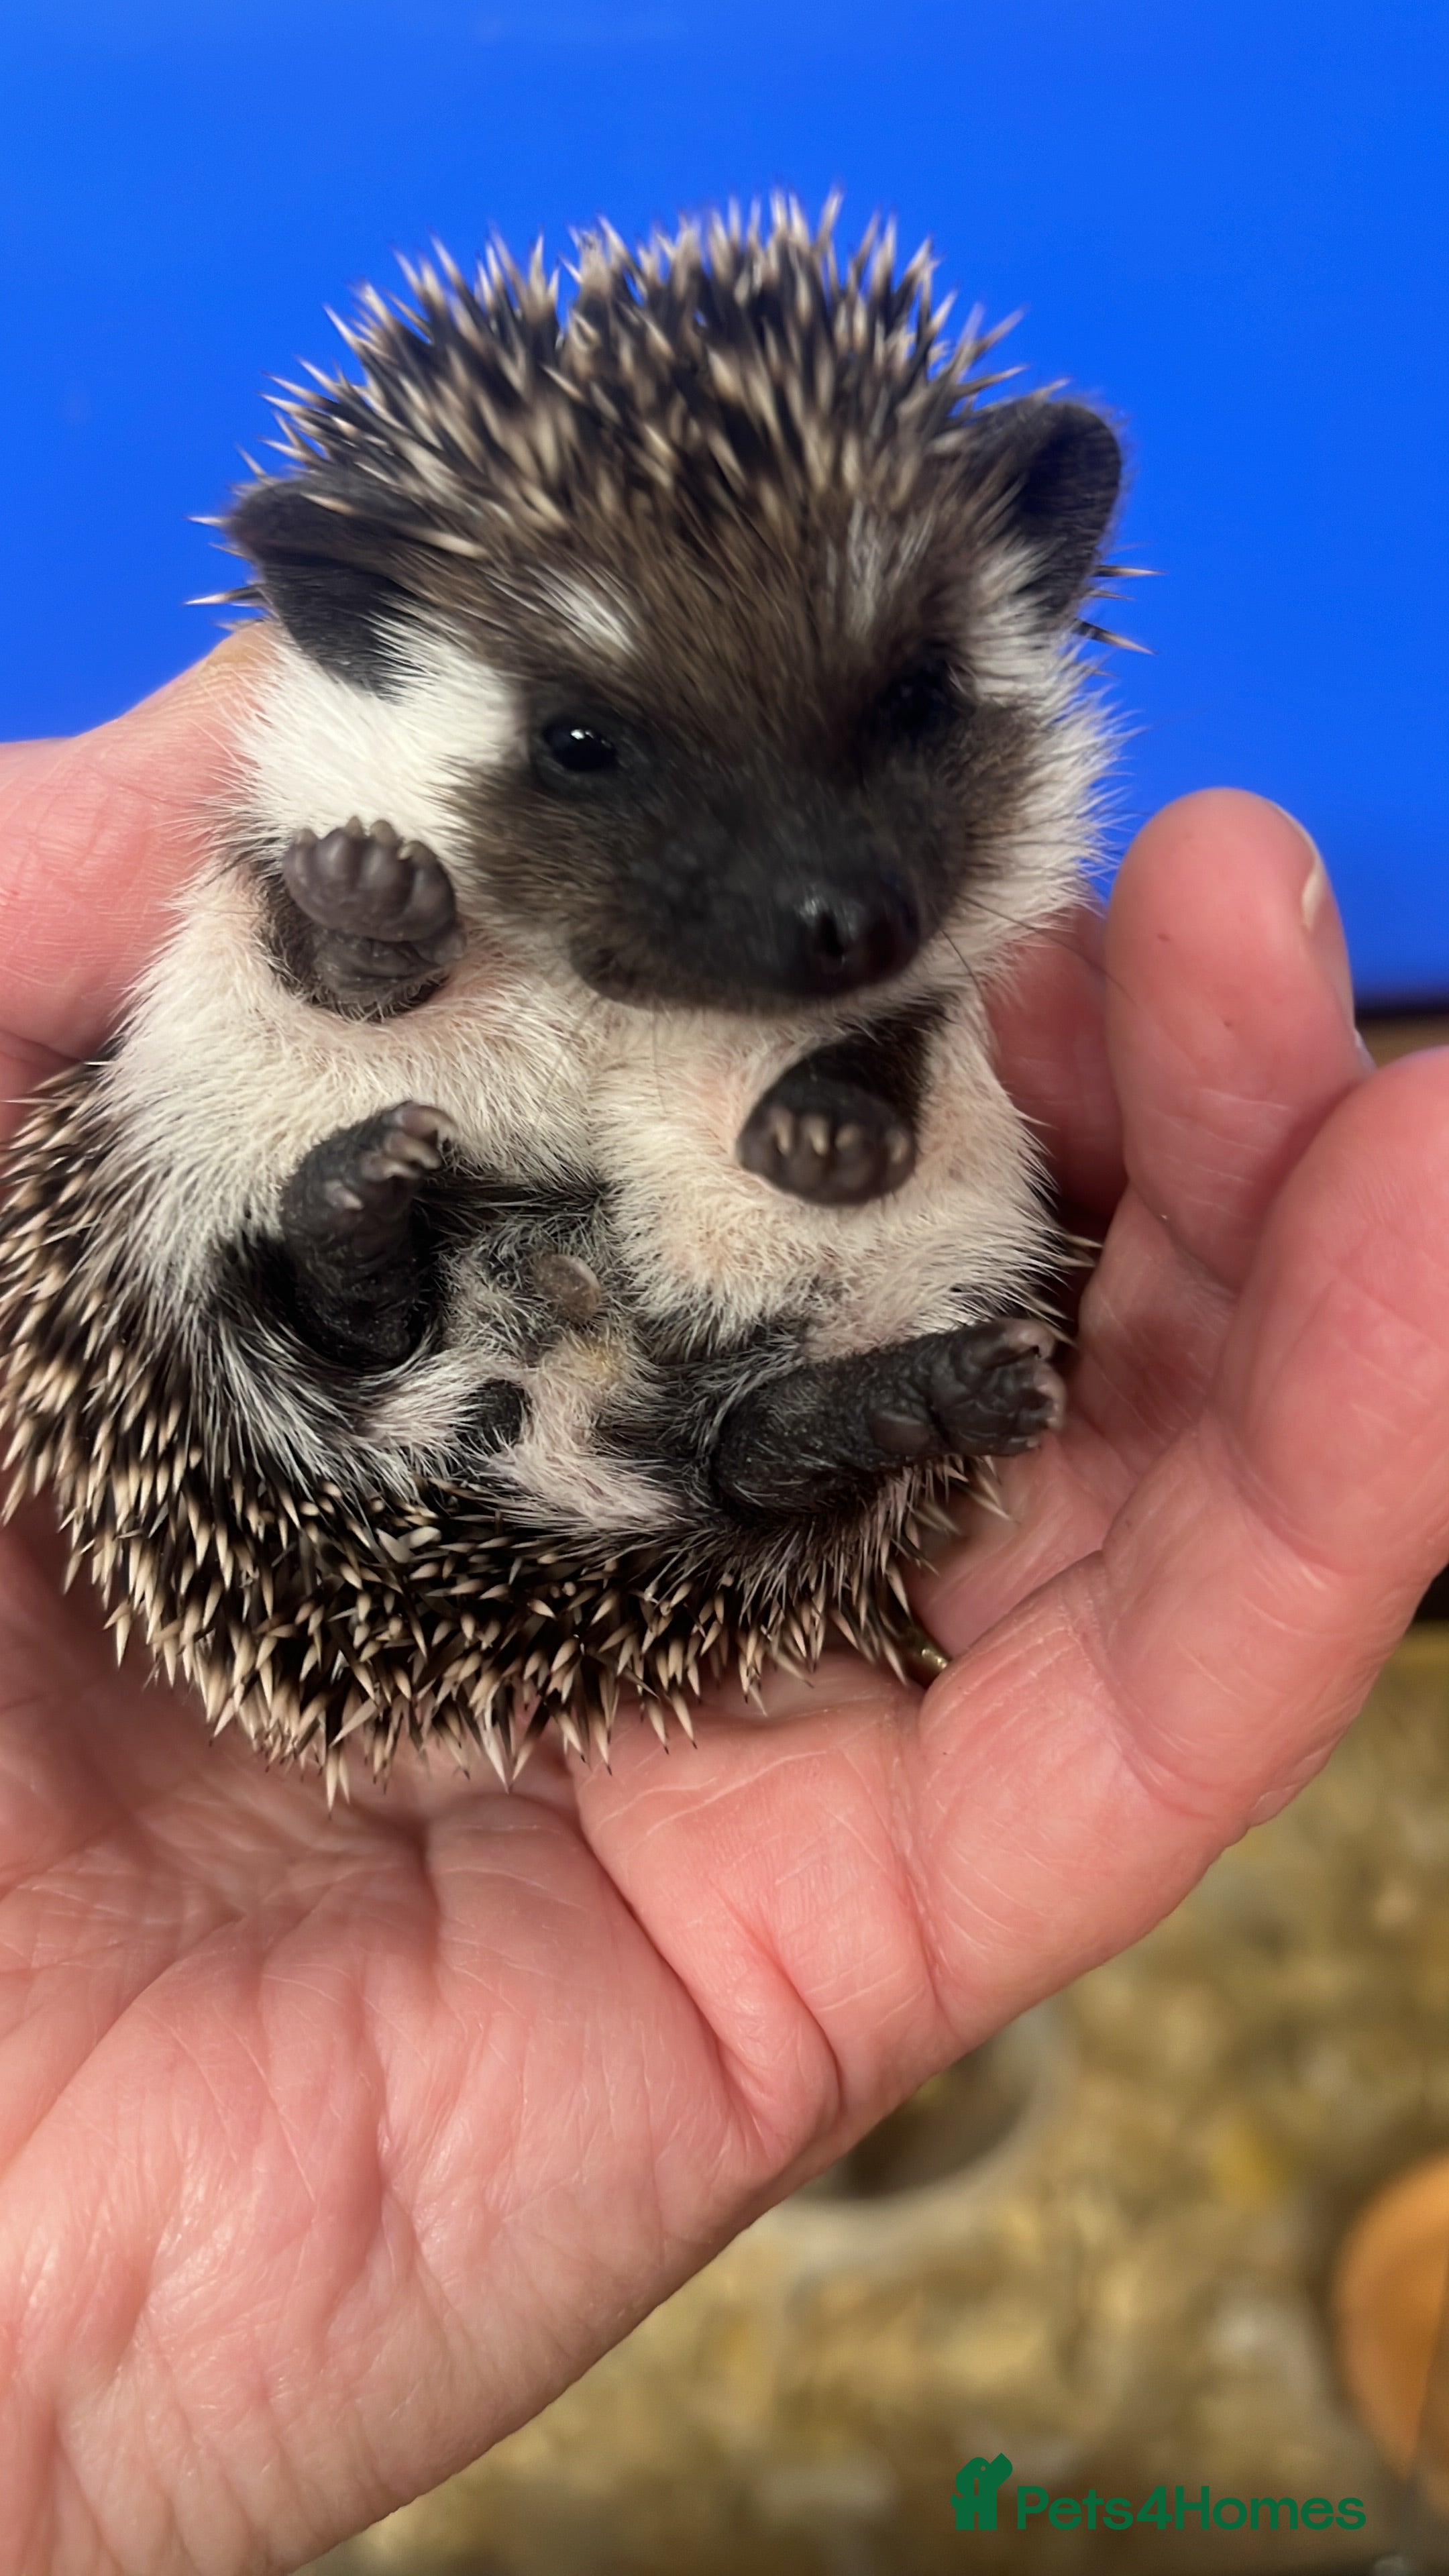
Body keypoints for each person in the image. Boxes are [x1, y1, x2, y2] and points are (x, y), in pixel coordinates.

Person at [2, 635, 1446, 2576]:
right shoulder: (399, 754)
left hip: (588, 1395)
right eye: (593, 737)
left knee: (855, 1188)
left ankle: (650, 1354)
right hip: (393, 1360)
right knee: (321, 1040)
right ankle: (490, 1280)